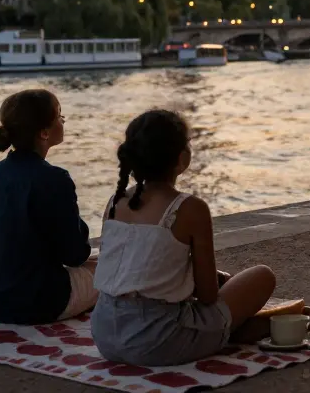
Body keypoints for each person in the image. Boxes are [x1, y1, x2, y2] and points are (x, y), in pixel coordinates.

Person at [92, 110, 276, 367]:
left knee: (224, 292)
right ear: (182, 158)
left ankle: (229, 331)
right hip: (157, 341)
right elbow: (208, 295)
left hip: (105, 335)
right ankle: (228, 332)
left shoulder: (115, 202)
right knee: (262, 276)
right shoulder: (189, 208)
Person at [0, 89, 96, 324]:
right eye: (59, 115)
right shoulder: (54, 179)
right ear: (44, 132)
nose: (63, 120)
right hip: (35, 302)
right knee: (114, 269)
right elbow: (76, 254)